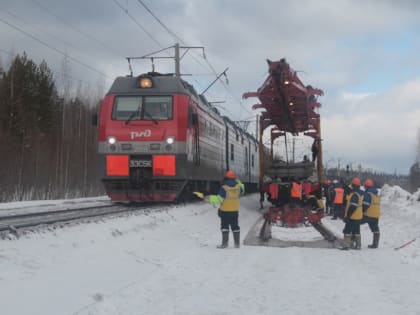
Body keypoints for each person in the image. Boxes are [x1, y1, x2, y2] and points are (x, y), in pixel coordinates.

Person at [209, 170, 244, 248]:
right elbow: (242, 189)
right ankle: (237, 244)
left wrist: (210, 198)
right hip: (235, 211)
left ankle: (225, 244)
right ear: (234, 178)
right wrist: (238, 182)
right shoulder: (238, 188)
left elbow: (219, 199)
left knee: (224, 226)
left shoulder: (224, 188)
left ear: (226, 178)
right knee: (235, 226)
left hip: (225, 211)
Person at [341, 177, 364, 250]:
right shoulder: (360, 194)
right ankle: (358, 245)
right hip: (358, 216)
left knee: (347, 231)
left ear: (353, 185)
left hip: (353, 216)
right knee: (357, 231)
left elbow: (352, 206)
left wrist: (347, 216)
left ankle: (346, 246)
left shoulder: (354, 195)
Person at [362, 179, 381, 248]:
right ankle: (375, 244)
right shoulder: (377, 196)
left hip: (368, 214)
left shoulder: (368, 194)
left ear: (366, 187)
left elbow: (365, 204)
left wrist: (362, 211)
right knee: (375, 229)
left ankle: (354, 240)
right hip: (376, 216)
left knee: (355, 223)